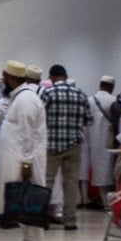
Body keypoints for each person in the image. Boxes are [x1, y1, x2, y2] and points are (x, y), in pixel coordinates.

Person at [0, 60, 48, 241]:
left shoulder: (25, 100)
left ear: (9, 78)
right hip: (20, 160)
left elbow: (28, 135)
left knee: (28, 202)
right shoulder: (21, 97)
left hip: (24, 162)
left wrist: (26, 163)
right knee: (21, 202)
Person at [40, 64, 92, 231]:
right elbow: (89, 120)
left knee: (47, 181)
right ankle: (70, 221)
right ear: (66, 76)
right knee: (70, 183)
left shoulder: (47, 93)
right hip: (73, 145)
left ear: (52, 77)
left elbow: (40, 118)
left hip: (51, 144)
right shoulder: (80, 94)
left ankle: (44, 218)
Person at [86, 76, 119, 208]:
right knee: (110, 170)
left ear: (100, 85)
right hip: (109, 141)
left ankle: (105, 203)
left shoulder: (89, 101)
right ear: (111, 87)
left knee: (99, 172)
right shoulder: (114, 101)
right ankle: (112, 203)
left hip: (93, 142)